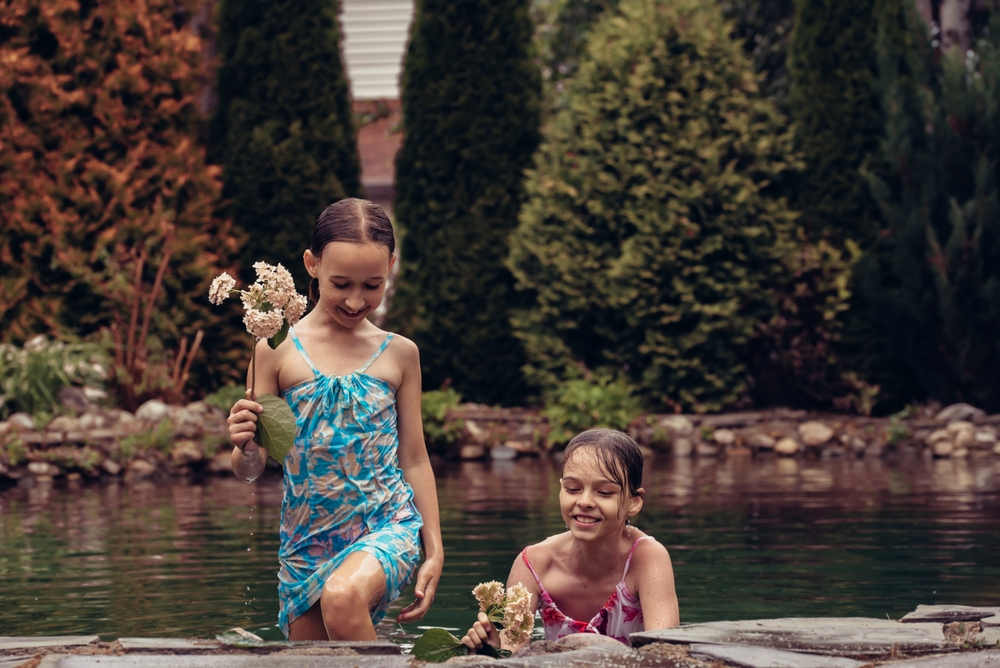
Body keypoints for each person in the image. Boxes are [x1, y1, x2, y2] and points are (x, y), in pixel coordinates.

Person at [226, 198, 443, 641]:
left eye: (373, 285)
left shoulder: (400, 354)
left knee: (342, 596)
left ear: (391, 269)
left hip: (387, 525)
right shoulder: (273, 351)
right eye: (341, 283)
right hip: (307, 543)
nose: (356, 300)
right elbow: (253, 468)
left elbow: (415, 458)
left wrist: (434, 549)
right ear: (312, 264)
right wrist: (244, 444)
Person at [461, 428, 678, 651]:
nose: (584, 501)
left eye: (604, 492)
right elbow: (512, 653)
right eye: (573, 489)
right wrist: (492, 649)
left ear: (633, 502)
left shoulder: (648, 559)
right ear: (561, 491)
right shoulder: (533, 565)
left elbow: (665, 653)